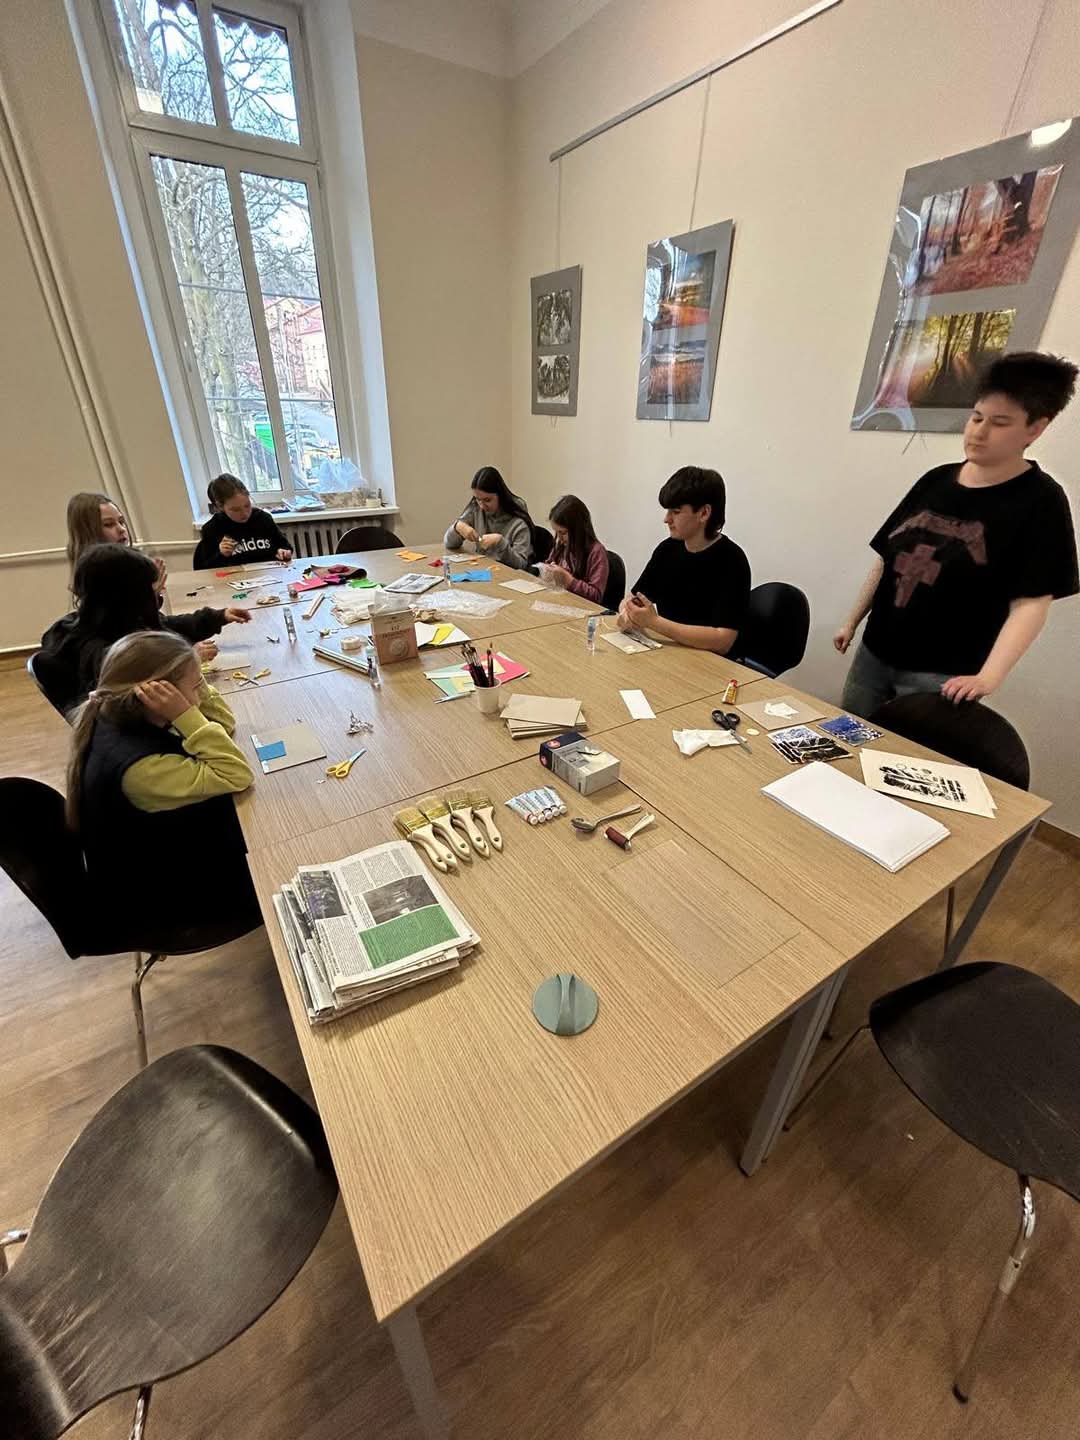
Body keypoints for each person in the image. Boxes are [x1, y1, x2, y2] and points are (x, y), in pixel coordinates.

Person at [836, 352, 1079, 716]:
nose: (979, 432)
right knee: (847, 736)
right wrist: (852, 620)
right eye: (976, 417)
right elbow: (888, 557)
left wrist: (988, 677)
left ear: (1035, 429)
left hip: (942, 674)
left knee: (909, 750)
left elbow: (1031, 603)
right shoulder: (935, 480)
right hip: (875, 652)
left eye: (999, 423)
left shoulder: (1041, 501)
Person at [65, 629, 259, 938]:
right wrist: (185, 713)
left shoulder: (129, 715)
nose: (200, 695)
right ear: (157, 695)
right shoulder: (140, 769)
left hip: (169, 849)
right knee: (286, 844)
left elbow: (224, 725)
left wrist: (193, 685)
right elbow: (236, 774)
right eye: (195, 687)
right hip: (165, 899)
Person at [40, 544, 249, 715]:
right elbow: (146, 700)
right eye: (149, 588)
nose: (156, 592)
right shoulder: (104, 653)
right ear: (127, 596)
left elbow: (165, 625)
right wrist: (186, 661)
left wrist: (217, 617)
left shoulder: (112, 621)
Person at [618, 465, 750, 652]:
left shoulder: (733, 560)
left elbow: (723, 641)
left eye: (676, 511)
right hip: (671, 651)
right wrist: (627, 612)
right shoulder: (667, 549)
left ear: (704, 513)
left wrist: (654, 622)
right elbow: (634, 597)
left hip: (708, 660)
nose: (667, 519)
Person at [66, 491, 167, 596]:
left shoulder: (136, 570)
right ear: (88, 534)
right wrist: (149, 595)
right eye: (108, 524)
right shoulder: (95, 583)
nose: (121, 529)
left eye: (121, 521)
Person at [193, 474, 293, 569]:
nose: (244, 513)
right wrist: (221, 554)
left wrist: (284, 552)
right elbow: (204, 568)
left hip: (268, 575)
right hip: (233, 578)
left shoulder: (263, 518)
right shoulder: (212, 528)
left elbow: (285, 546)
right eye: (235, 510)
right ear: (220, 506)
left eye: (247, 505)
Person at [443, 466, 534, 571]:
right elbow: (449, 544)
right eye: (478, 499)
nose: (482, 506)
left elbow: (521, 565)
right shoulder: (475, 509)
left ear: (500, 496)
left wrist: (501, 543)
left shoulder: (519, 522)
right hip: (483, 570)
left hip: (506, 575)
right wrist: (458, 527)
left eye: (487, 500)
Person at [537, 495, 610, 605]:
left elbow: (596, 596)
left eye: (563, 533)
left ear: (579, 530)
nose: (559, 538)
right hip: (561, 601)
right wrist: (548, 571)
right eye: (556, 532)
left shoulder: (596, 552)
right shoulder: (561, 546)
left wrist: (568, 580)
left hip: (581, 607)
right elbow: (549, 564)